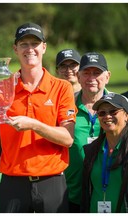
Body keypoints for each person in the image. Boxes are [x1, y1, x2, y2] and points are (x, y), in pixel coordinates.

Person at [0, 22, 77, 213]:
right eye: (24, 44)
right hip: (13, 184)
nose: (29, 49)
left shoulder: (61, 87)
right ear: (15, 49)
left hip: (51, 182)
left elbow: (67, 138)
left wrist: (34, 125)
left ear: (44, 47)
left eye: (34, 43)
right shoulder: (2, 87)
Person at [64, 52, 111, 212]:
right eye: (86, 73)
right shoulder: (65, 104)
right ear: (78, 76)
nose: (91, 78)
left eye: (97, 73)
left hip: (108, 192)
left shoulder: (120, 108)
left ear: (107, 76)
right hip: (71, 192)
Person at [81, 93, 128, 213]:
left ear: (126, 116)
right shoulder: (91, 150)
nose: (107, 116)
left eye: (113, 111)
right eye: (102, 113)